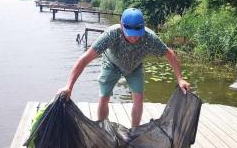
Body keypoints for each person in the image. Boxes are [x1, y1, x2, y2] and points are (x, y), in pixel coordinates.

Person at [58, 8, 190, 127]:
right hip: (111, 64)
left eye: (137, 33)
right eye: (129, 33)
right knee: (104, 97)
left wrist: (180, 79)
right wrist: (69, 86)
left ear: (143, 27)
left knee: (138, 98)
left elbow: (170, 54)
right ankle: (103, 130)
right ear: (121, 26)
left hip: (135, 67)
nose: (133, 37)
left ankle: (134, 132)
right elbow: (85, 58)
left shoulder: (150, 38)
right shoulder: (111, 34)